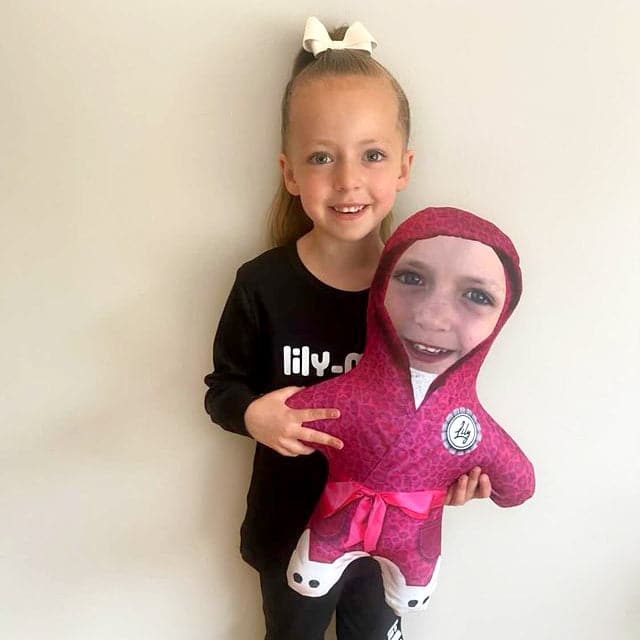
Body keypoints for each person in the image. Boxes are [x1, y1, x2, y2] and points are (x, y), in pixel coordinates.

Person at [204, 18, 490, 640]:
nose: (348, 179)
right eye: (321, 157)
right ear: (290, 173)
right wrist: (255, 415)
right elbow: (222, 389)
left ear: (404, 167)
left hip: (391, 535)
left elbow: (443, 402)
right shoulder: (262, 284)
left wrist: (453, 471)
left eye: (373, 154)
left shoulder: (425, 292)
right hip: (289, 528)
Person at [285, 207, 535, 616]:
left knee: (376, 624)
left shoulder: (470, 428)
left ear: (501, 317)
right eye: (412, 279)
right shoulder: (345, 396)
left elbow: (518, 486)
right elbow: (287, 416)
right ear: (380, 285)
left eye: (477, 296)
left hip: (413, 540)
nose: (432, 317)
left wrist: (479, 479)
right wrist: (261, 417)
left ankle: (410, 580)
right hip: (313, 520)